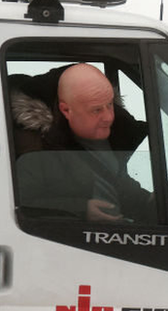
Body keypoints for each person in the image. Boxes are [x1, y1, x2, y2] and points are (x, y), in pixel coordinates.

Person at [13, 63, 153, 223]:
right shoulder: (34, 150)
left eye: (109, 105)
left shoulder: (103, 138)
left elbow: (114, 181)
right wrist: (81, 210)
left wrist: (148, 200)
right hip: (66, 241)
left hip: (110, 234)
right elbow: (19, 205)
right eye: (96, 110)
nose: (108, 117)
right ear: (65, 110)